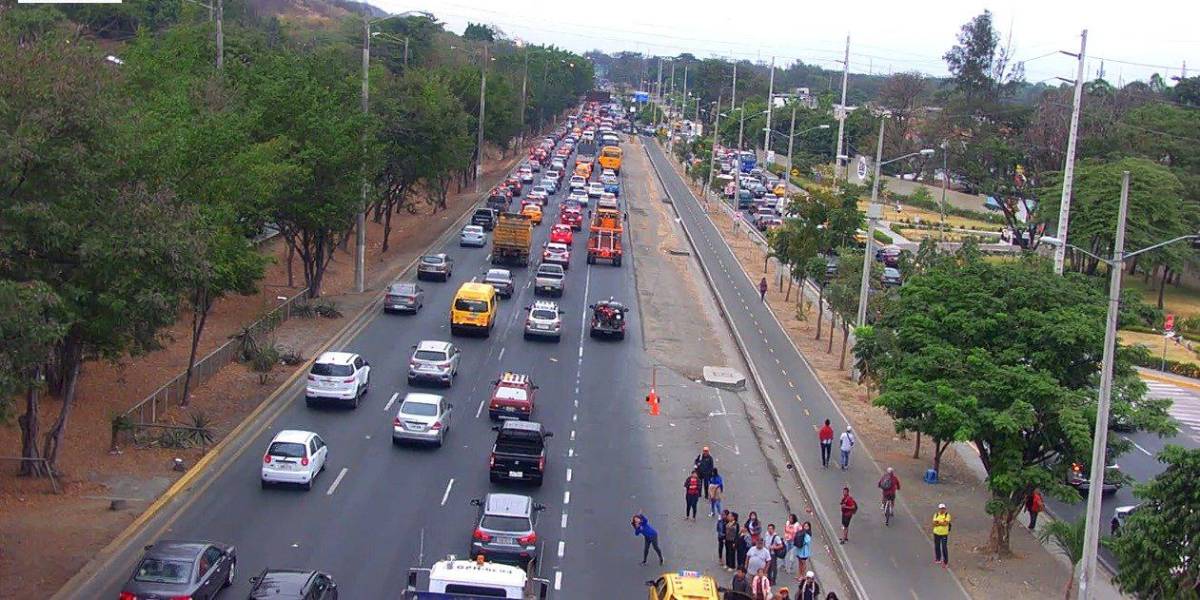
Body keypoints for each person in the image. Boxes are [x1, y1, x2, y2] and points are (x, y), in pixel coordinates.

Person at [932, 503, 951, 567]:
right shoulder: (936, 515)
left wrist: (939, 522)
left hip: (944, 534)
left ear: (945, 509)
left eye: (943, 508)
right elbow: (934, 523)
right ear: (939, 509)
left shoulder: (947, 515)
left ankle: (945, 562)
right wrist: (942, 522)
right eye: (941, 509)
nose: (942, 510)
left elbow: (946, 523)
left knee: (944, 547)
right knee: (937, 546)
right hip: (936, 533)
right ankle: (938, 558)